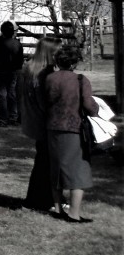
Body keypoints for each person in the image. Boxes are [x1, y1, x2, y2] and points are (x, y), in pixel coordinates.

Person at [45, 44, 99, 223]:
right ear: (75, 62)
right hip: (73, 128)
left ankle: (58, 208)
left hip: (52, 127)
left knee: (56, 168)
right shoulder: (81, 80)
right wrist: (97, 110)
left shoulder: (49, 79)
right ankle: (74, 214)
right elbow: (89, 105)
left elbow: (44, 102)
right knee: (77, 169)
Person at [19, 36, 61, 212]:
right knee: (47, 162)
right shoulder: (44, 73)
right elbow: (45, 101)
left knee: (43, 161)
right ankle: (40, 200)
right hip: (46, 122)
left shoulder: (29, 68)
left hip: (34, 120)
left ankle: (38, 199)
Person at [0, 20, 24, 126]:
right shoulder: (17, 44)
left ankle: (3, 118)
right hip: (13, 71)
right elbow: (20, 60)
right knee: (12, 93)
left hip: (0, 71)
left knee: (1, 95)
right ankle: (13, 117)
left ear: (2, 31)